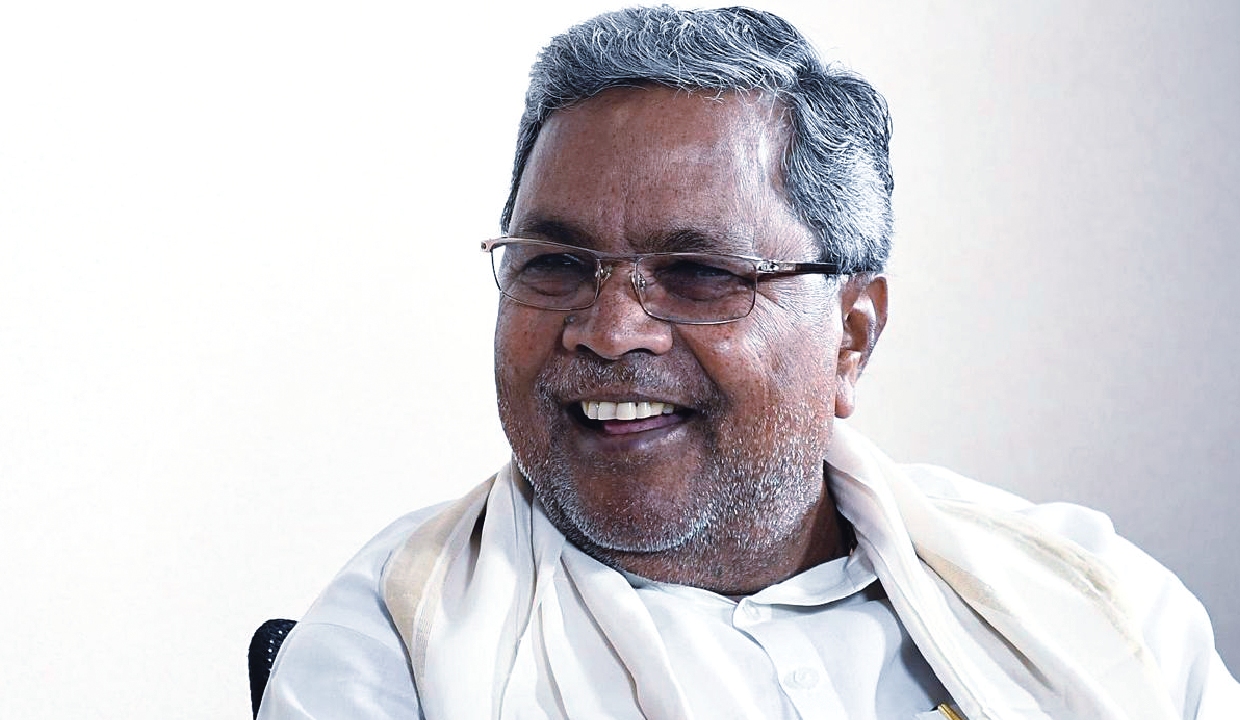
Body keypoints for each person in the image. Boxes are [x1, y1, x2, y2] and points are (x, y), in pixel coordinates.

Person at [257, 6, 1238, 719]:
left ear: (851, 334)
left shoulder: (1102, 606)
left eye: (699, 273)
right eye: (554, 263)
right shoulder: (397, 640)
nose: (610, 330)